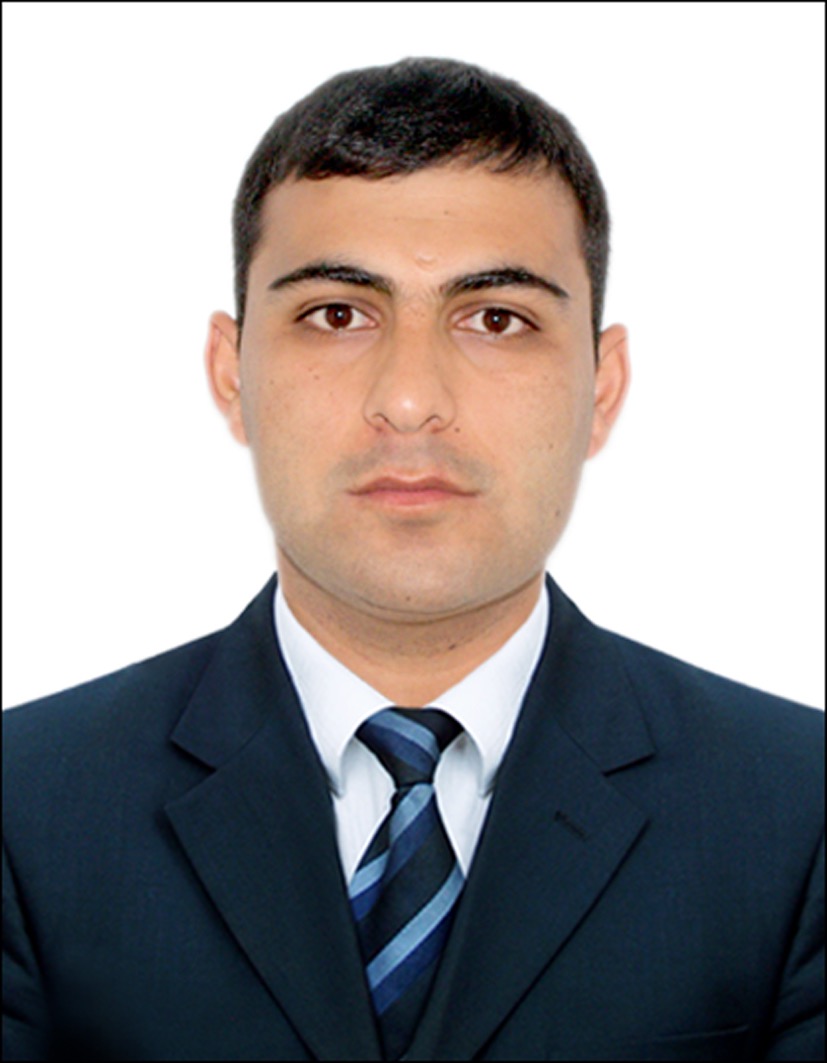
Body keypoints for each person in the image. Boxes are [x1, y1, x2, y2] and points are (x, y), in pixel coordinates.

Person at [2, 57, 823, 1063]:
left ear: (601, 388)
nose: (408, 399)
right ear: (231, 371)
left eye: (496, 318)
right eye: (337, 314)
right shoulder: (24, 809)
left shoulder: (799, 813)